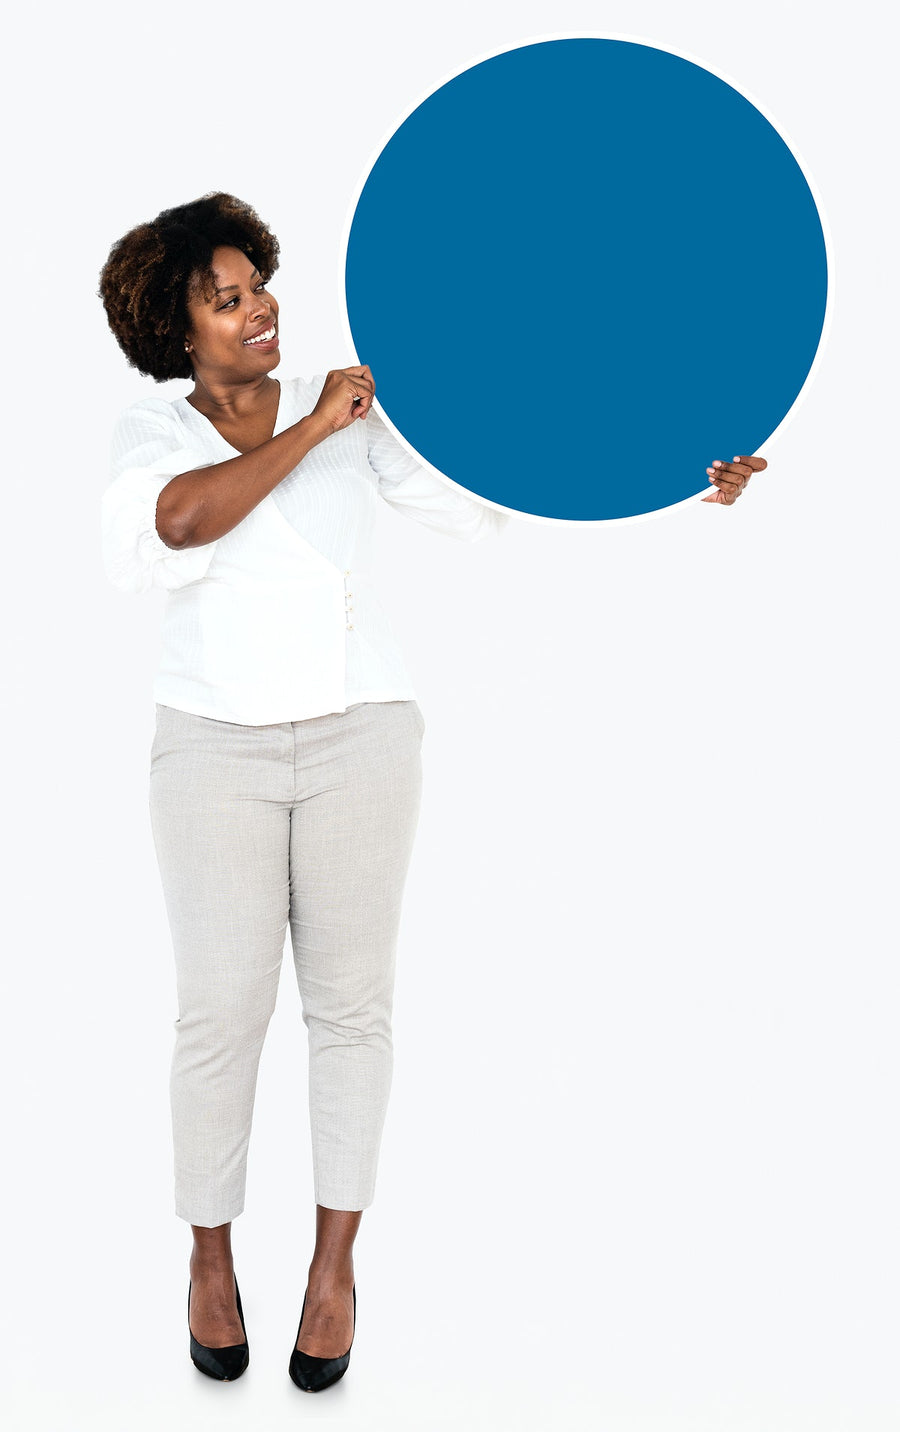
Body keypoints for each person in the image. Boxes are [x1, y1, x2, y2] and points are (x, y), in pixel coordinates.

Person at [98, 191, 763, 1393]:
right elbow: (183, 522)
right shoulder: (155, 438)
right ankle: (209, 1255)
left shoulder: (360, 424)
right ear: (176, 330)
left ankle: (333, 1270)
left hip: (362, 735)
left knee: (354, 1010)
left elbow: (503, 485)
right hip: (212, 751)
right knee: (220, 1014)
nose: (262, 310)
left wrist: (682, 474)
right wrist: (311, 426)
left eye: (261, 286)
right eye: (229, 299)